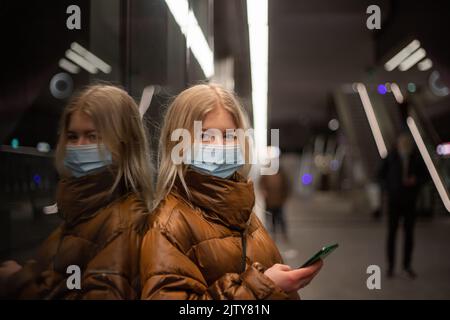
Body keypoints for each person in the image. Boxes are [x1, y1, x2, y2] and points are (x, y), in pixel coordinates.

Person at [140, 84, 322, 300]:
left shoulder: (242, 209)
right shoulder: (168, 225)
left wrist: (280, 285)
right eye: (206, 136)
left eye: (229, 135)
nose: (221, 145)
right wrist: (262, 286)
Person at [0, 84, 153, 299]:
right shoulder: (81, 209)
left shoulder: (124, 223)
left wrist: (18, 283)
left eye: (93, 137)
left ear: (125, 144)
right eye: (73, 137)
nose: (79, 146)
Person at [379, 132, 426, 279]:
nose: (405, 147)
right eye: (402, 144)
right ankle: (391, 267)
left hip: (410, 202)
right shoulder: (391, 157)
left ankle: (407, 266)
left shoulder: (416, 158)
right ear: (398, 145)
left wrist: (415, 181)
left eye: (407, 144)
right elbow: (379, 175)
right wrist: (388, 189)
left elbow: (425, 176)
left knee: (409, 234)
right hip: (394, 201)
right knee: (392, 234)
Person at [259, 166, 291, 242]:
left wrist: (284, 198)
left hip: (279, 202)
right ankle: (273, 235)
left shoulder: (281, 174)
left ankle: (284, 235)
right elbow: (261, 183)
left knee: (281, 219)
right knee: (271, 219)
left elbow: (286, 186)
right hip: (269, 202)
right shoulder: (266, 174)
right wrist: (263, 191)